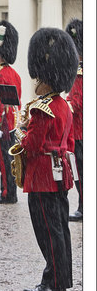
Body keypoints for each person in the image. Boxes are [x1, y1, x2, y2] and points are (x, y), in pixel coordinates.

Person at [20, 27, 78, 291]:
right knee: (59, 228)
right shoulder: (63, 105)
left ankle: (52, 282)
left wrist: (21, 131)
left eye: (39, 77)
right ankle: (60, 279)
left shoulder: (42, 108)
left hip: (43, 174)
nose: (36, 82)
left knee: (47, 230)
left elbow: (31, 146)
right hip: (60, 173)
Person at [0, 20, 22, 204]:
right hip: (12, 123)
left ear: (0, 54)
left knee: (4, 161)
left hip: (2, 124)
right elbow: (18, 101)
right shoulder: (14, 74)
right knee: (10, 161)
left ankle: (8, 193)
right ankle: (10, 191)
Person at [65, 19, 83, 222]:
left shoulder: (79, 74)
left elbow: (76, 103)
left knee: (81, 173)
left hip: (79, 132)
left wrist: (63, 105)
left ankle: (83, 206)